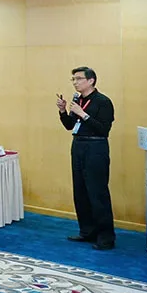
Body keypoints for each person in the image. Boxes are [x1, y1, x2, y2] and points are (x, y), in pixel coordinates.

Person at [58, 66, 115, 250]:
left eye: (78, 79)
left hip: (96, 147)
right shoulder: (78, 100)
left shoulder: (103, 101)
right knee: (80, 191)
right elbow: (70, 125)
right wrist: (63, 111)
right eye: (73, 79)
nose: (75, 82)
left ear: (91, 81)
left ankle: (106, 237)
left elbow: (103, 129)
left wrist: (83, 114)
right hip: (78, 146)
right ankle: (87, 231)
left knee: (97, 192)